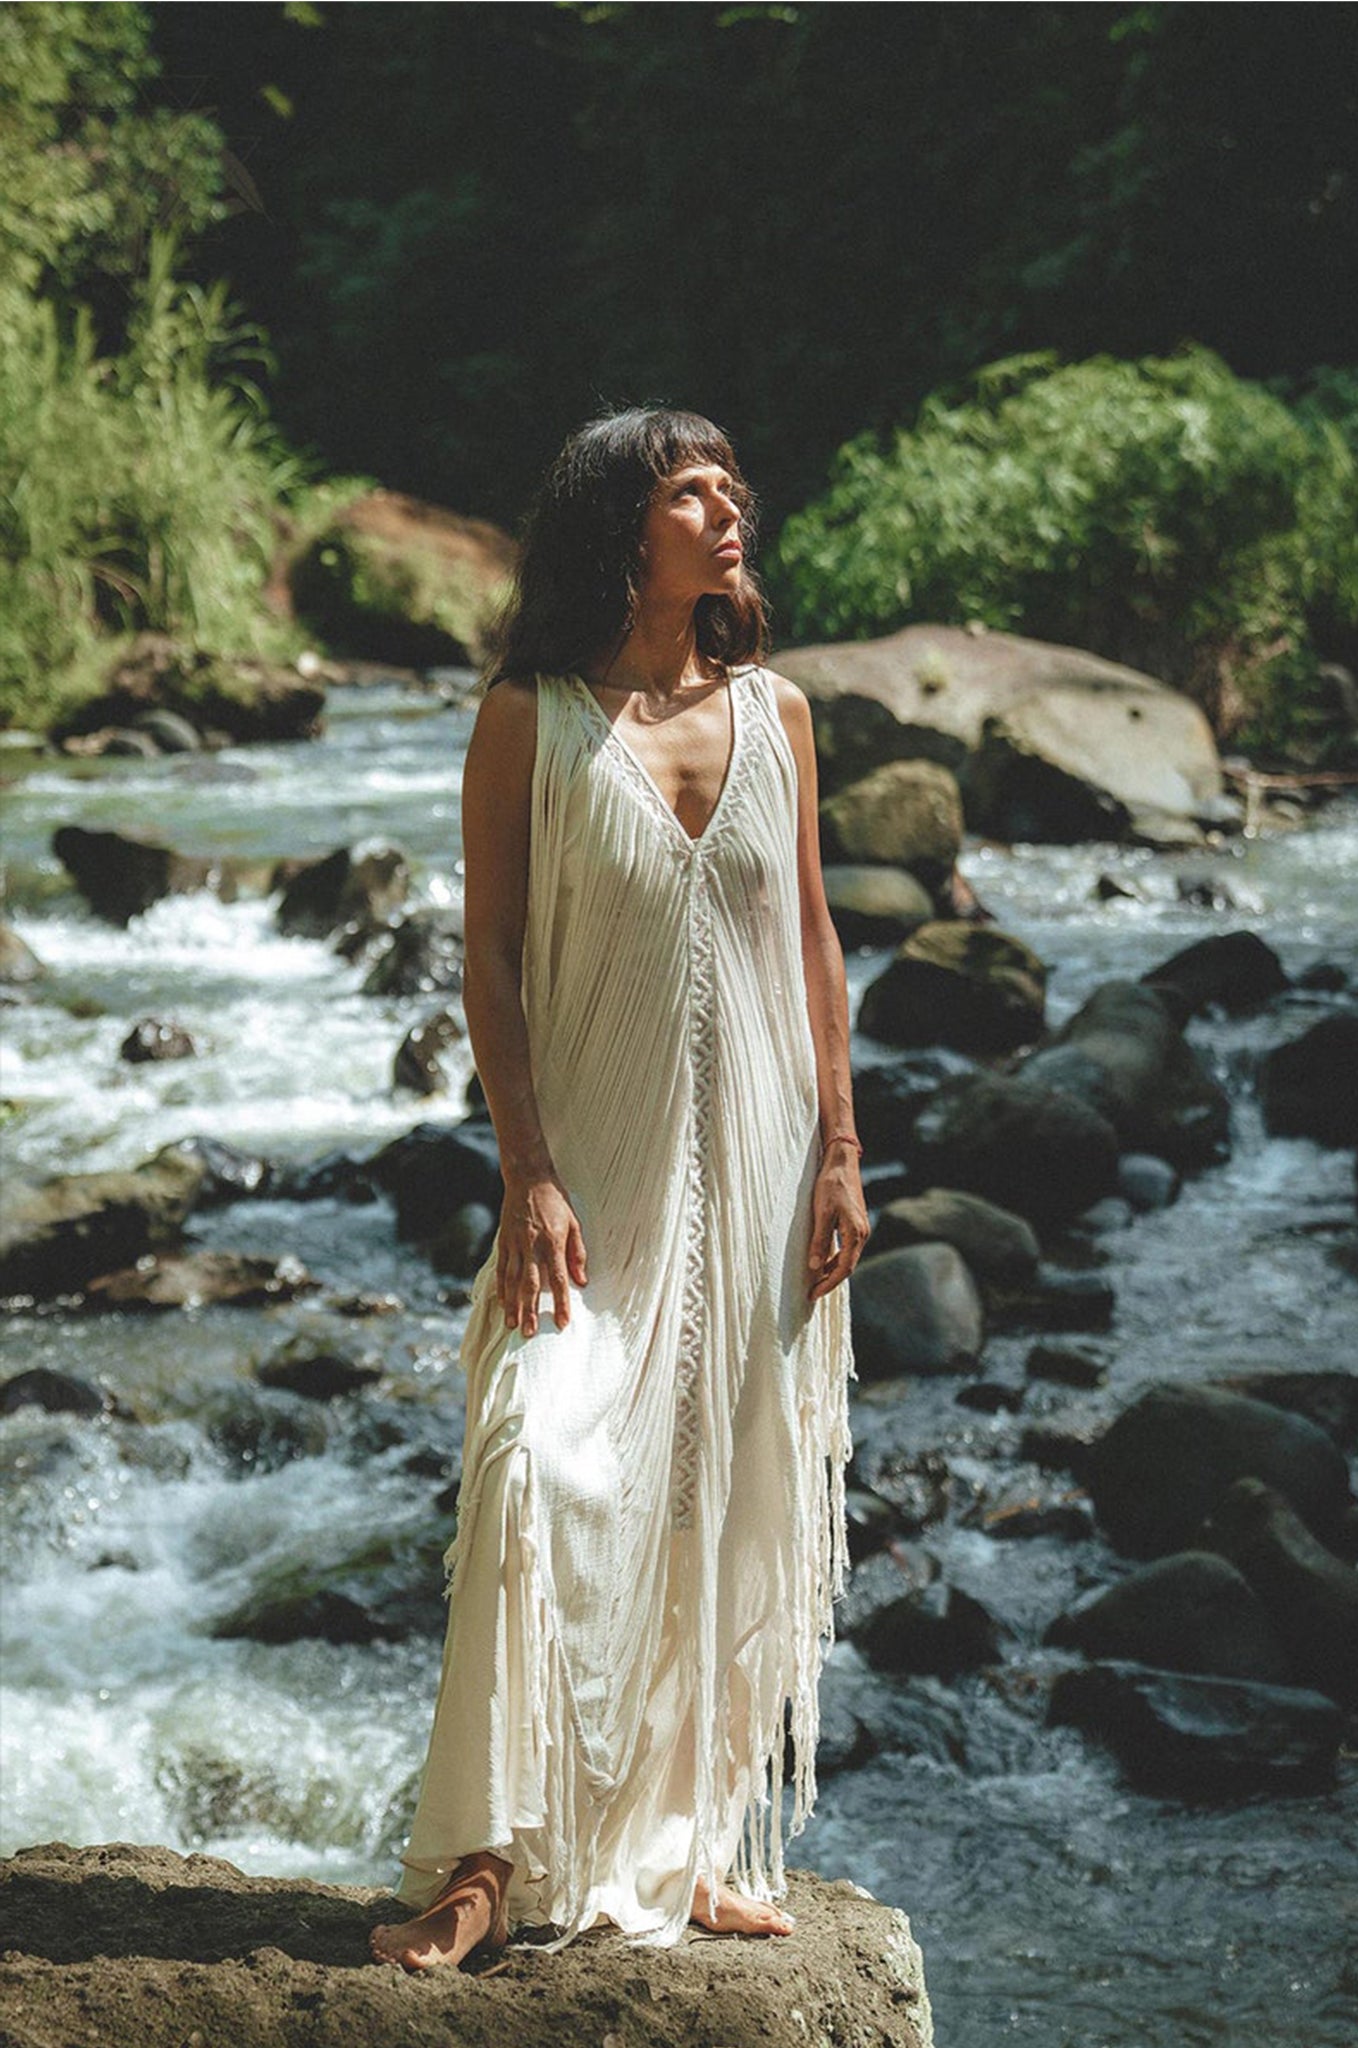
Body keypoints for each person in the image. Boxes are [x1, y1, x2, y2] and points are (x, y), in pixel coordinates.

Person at [370, 406, 868, 1971]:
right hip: (594, 1159)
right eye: (687, 493)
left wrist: (843, 1145)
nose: (727, 511)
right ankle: (483, 1857)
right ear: (617, 530)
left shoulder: (777, 714)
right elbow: (495, 958)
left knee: (727, 1496)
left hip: (770, 1152)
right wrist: (526, 1172)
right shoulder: (531, 713)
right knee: (538, 1458)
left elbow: (810, 942)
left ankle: (691, 1839)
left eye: (730, 487)